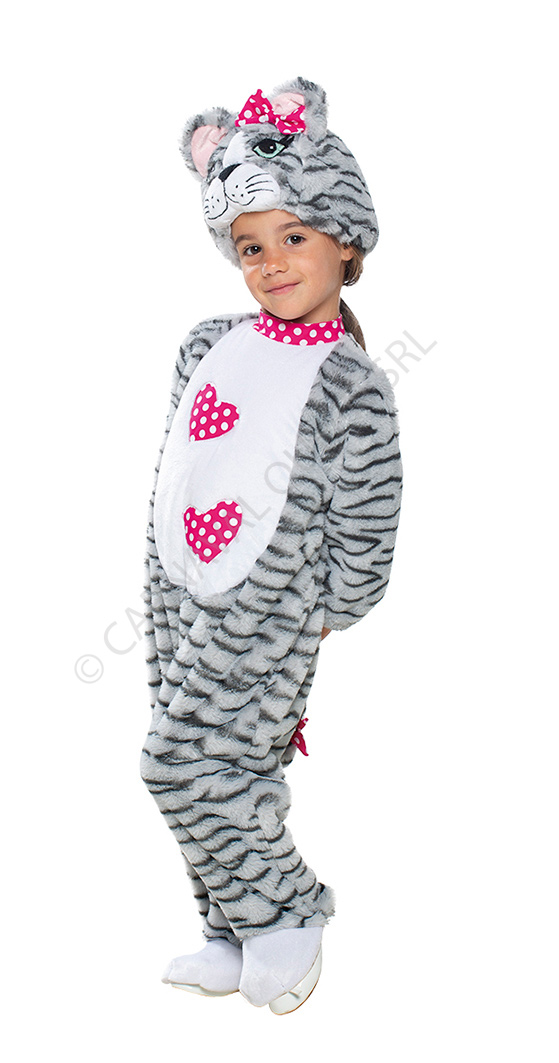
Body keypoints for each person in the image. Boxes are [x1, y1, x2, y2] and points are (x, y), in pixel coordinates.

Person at [140, 76, 403, 1015]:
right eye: (251, 246)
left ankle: (286, 912)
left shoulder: (351, 382)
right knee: (223, 768)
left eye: (294, 237)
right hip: (175, 585)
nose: (271, 262)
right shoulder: (205, 342)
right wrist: (161, 567)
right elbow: (183, 457)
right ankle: (229, 925)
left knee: (177, 761)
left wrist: (325, 610)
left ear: (346, 239)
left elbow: (369, 514)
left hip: (270, 603)